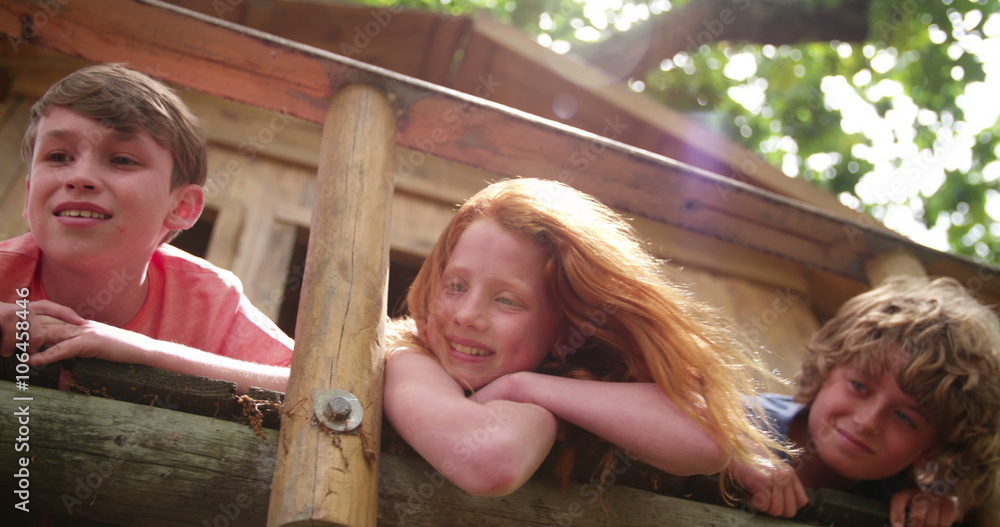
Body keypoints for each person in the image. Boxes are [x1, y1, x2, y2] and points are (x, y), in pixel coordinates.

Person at [384, 177, 789, 498]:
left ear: (566, 328)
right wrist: (542, 404)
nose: (467, 315)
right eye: (455, 286)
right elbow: (490, 460)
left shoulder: (560, 375)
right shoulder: (408, 355)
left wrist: (525, 387)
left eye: (507, 300)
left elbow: (709, 442)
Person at [0, 63, 293, 393]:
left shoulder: (210, 302)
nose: (79, 177)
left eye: (122, 160)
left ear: (181, 207)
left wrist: (145, 351)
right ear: (29, 195)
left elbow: (312, 385)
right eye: (58, 157)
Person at [733, 276, 1000, 527]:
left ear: (930, 448)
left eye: (904, 418)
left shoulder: (901, 500)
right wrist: (729, 450)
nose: (867, 421)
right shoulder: (739, 420)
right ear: (827, 369)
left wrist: (941, 509)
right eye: (859, 387)